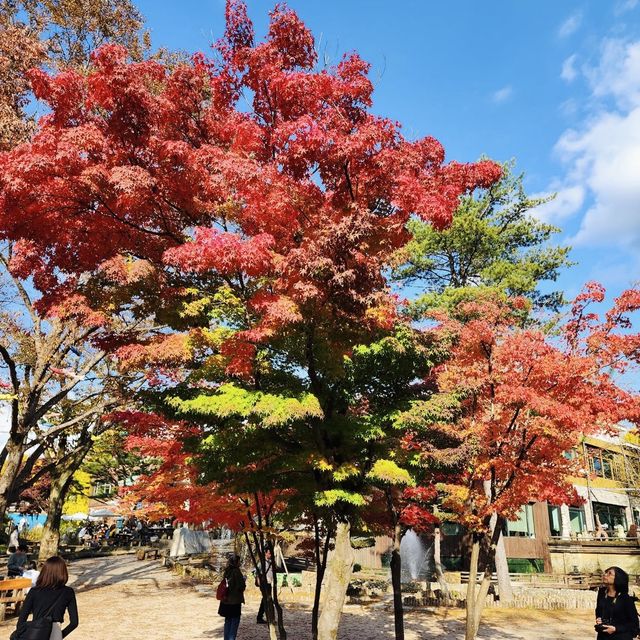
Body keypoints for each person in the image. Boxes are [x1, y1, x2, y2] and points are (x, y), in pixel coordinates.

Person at [14, 556, 78, 640]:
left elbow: (21, 620)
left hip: (36, 631)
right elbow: (74, 623)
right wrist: (60, 635)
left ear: (44, 571)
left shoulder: (34, 591)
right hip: (56, 631)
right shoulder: (68, 592)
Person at [595, 566, 639, 640]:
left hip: (620, 637)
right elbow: (598, 609)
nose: (605, 575)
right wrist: (598, 618)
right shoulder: (602, 592)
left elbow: (634, 624)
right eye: (606, 572)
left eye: (609, 573)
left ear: (618, 578)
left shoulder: (625, 599)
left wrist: (616, 629)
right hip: (603, 636)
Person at [218, 555, 245, 640]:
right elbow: (241, 587)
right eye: (239, 561)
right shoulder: (237, 572)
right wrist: (244, 580)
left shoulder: (227, 571)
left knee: (228, 621)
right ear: (236, 562)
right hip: (234, 602)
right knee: (234, 623)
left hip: (226, 601)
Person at [255, 548, 274, 625]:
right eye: (269, 553)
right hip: (264, 583)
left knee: (265, 600)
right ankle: (263, 617)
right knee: (266, 600)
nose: (270, 554)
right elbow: (257, 572)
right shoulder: (262, 562)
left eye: (271, 553)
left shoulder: (271, 562)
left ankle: (260, 617)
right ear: (265, 553)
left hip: (269, 583)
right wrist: (259, 582)